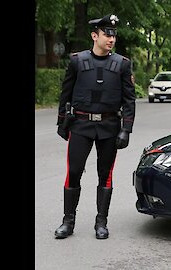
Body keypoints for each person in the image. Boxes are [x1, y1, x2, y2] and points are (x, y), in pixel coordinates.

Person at [54, 14, 136, 240]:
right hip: (81, 125)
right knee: (73, 172)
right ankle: (67, 221)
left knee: (105, 175)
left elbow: (130, 100)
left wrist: (126, 129)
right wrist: (62, 121)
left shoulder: (122, 64)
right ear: (94, 36)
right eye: (107, 34)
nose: (111, 38)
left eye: (114, 35)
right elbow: (66, 93)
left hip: (109, 126)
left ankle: (101, 222)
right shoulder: (77, 61)